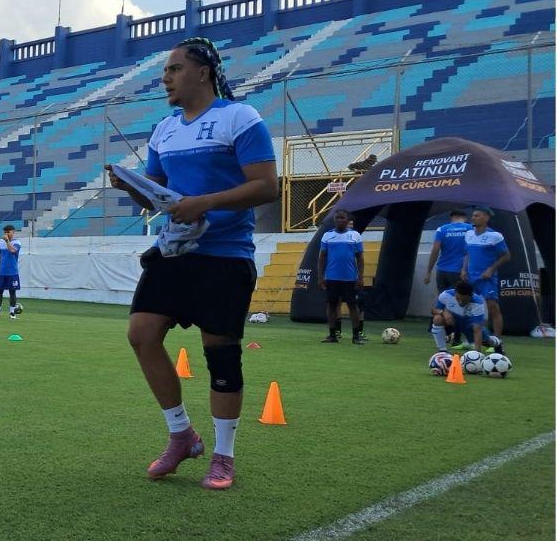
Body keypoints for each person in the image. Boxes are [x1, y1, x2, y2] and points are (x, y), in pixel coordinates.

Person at [107, 36, 278, 491]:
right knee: (141, 334)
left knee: (220, 355)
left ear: (202, 72)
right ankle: (182, 435)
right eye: (166, 71)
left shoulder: (240, 118)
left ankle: (223, 456)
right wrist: (130, 186)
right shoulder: (163, 129)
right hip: (175, 251)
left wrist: (203, 203)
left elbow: (266, 187)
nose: (166, 78)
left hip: (225, 255)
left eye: (174, 69)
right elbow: (159, 193)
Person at [318, 208, 367, 344]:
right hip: (332, 277)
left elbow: (360, 258)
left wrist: (361, 276)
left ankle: (356, 335)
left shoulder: (355, 235)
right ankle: (332, 334)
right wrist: (320, 277)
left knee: (352, 305)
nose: (339, 220)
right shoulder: (327, 235)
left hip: (350, 278)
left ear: (348, 220)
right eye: (337, 218)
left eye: (342, 218)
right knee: (332, 305)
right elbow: (321, 258)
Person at [461, 205, 511, 339]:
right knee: (469, 308)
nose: (473, 217)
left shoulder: (495, 236)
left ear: (486, 218)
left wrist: (491, 269)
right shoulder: (469, 234)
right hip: (471, 278)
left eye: (477, 215)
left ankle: (497, 341)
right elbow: (467, 254)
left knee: (492, 308)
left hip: (487, 279)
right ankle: (471, 339)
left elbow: (506, 256)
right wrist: (463, 270)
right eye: (473, 215)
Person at [431, 281, 504, 354]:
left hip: (469, 325)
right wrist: (443, 312)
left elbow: (477, 329)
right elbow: (434, 311)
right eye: (458, 299)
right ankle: (442, 351)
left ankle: (497, 342)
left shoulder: (477, 303)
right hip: (452, 322)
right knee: (437, 319)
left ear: (471, 296)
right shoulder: (446, 295)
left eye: (464, 300)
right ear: (455, 292)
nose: (460, 302)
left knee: (487, 342)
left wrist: (477, 353)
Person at [423, 208, 472, 292]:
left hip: (442, 271)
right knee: (460, 301)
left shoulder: (441, 229)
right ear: (465, 218)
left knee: (443, 299)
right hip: (460, 272)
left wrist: (428, 272)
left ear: (451, 218)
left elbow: (435, 250)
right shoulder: (470, 228)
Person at [0, 225, 22, 319]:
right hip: (2, 272)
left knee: (12, 292)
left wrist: (7, 241)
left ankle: (12, 312)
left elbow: (12, 251)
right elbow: (0, 256)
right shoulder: (2, 243)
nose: (6, 234)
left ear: (13, 232)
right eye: (5, 232)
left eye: (8, 232)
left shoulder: (17, 242)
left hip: (12, 272)